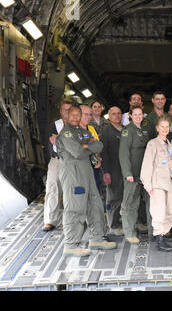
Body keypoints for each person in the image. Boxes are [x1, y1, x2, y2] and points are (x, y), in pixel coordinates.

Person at [56, 106, 116, 257]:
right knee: (75, 208)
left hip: (87, 172)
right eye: (73, 115)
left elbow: (99, 145)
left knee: (94, 204)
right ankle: (71, 244)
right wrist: (87, 146)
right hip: (73, 174)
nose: (76, 118)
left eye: (78, 115)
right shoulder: (66, 133)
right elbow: (77, 152)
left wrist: (85, 146)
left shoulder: (83, 132)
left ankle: (96, 238)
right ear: (67, 116)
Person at [141, 117, 172, 252]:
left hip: (168, 180)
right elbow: (147, 164)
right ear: (157, 128)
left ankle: (163, 232)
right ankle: (159, 237)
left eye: (167, 127)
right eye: (162, 127)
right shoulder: (153, 144)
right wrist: (147, 184)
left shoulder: (169, 144)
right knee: (159, 211)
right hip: (157, 181)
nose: (165, 129)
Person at [119, 105, 152, 244]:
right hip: (133, 173)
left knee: (151, 202)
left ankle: (154, 230)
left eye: (140, 114)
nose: (138, 117)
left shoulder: (144, 131)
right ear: (130, 116)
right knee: (130, 203)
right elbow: (123, 153)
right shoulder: (127, 131)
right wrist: (127, 173)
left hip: (145, 172)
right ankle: (129, 232)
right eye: (135, 114)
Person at [43, 98, 73, 231]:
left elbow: (72, 145)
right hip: (57, 160)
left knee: (71, 190)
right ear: (60, 111)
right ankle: (51, 220)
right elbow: (51, 143)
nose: (67, 112)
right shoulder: (53, 125)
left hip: (72, 161)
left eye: (69, 110)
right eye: (65, 110)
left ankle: (71, 220)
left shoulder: (77, 126)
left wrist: (59, 141)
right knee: (52, 187)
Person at [102, 106, 124, 236]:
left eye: (119, 113)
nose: (117, 116)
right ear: (109, 117)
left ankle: (122, 221)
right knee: (113, 197)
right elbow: (103, 153)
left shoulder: (125, 130)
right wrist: (106, 172)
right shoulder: (106, 131)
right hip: (112, 168)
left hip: (125, 168)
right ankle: (113, 224)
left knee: (124, 196)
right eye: (113, 114)